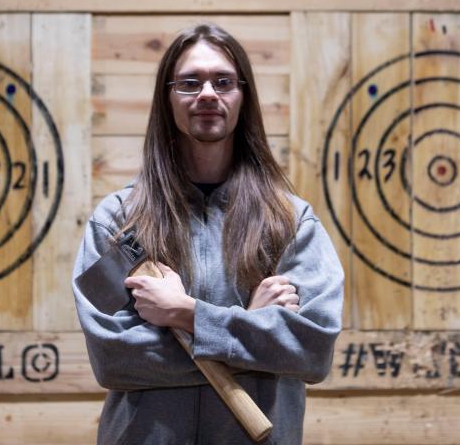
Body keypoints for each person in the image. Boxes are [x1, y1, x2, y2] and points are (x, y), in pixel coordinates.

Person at [72, 23, 344, 444]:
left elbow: (313, 349)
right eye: (189, 82)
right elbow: (113, 358)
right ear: (168, 98)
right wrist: (253, 330)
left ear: (242, 96)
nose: (207, 94)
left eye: (223, 81)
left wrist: (186, 315)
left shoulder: (291, 222)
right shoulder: (118, 222)